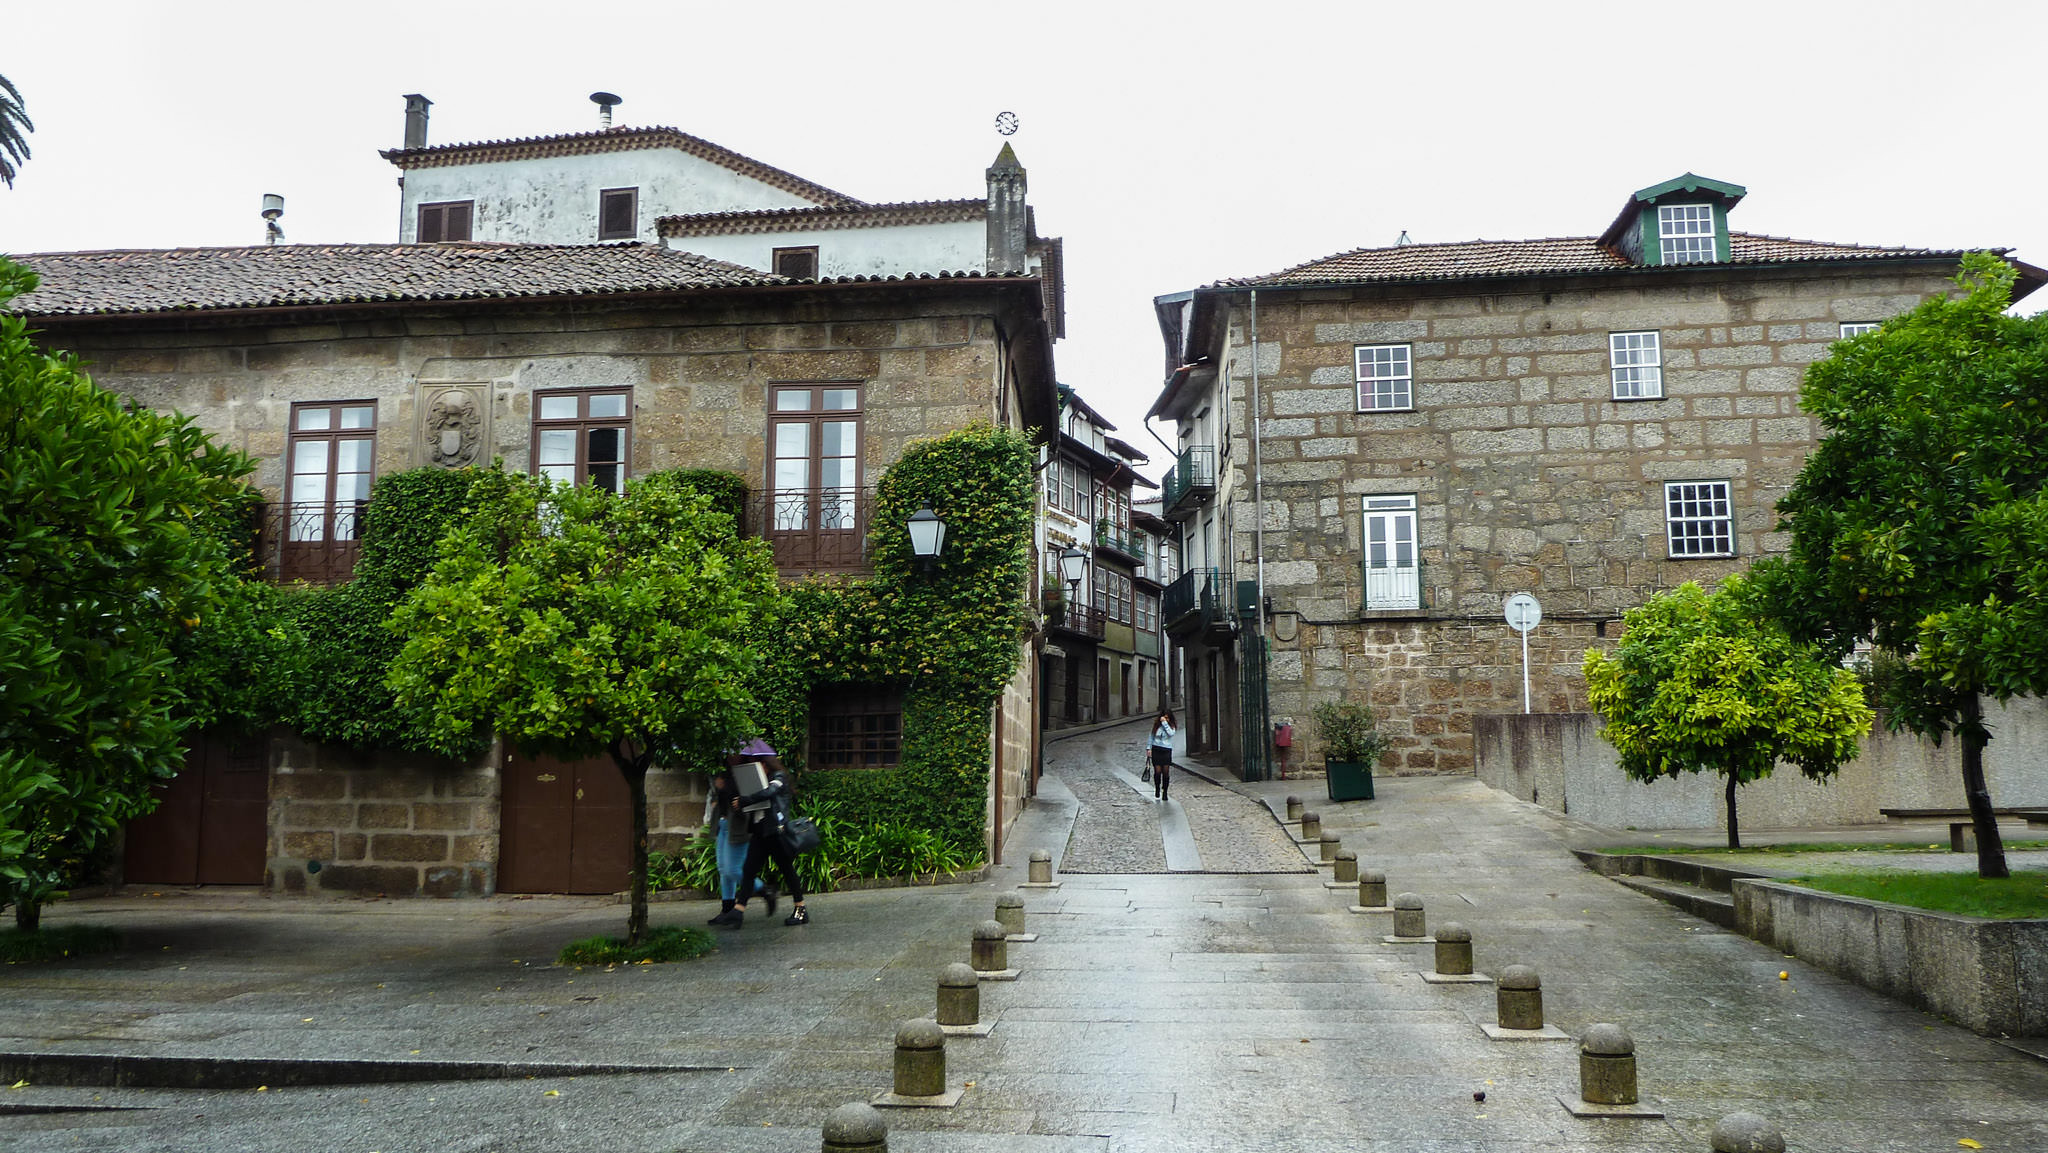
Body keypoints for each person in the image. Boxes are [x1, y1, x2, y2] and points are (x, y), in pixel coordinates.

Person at [721, 739, 810, 928]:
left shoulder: (779, 777)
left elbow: (770, 792)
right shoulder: (758, 781)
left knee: (787, 869)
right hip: (761, 831)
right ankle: (738, 911)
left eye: (759, 764)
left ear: (765, 762)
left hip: (776, 832)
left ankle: (800, 909)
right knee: (748, 870)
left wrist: (746, 800)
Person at [703, 768, 771, 926]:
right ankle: (727, 909)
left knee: (733, 869)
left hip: (739, 827)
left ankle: (764, 890)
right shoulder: (724, 770)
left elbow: (748, 801)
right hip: (722, 823)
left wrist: (724, 787)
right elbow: (718, 797)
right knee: (722, 869)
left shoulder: (745, 771)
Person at [1149, 710, 1176, 801]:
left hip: (1166, 750)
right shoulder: (1157, 726)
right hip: (1156, 749)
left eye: (1167, 717)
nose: (1166, 719)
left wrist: (1165, 723)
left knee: (1165, 772)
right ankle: (1157, 787)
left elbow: (1171, 733)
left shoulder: (1171, 726)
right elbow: (1151, 736)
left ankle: (1165, 791)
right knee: (1157, 772)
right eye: (1164, 717)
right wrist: (1148, 748)